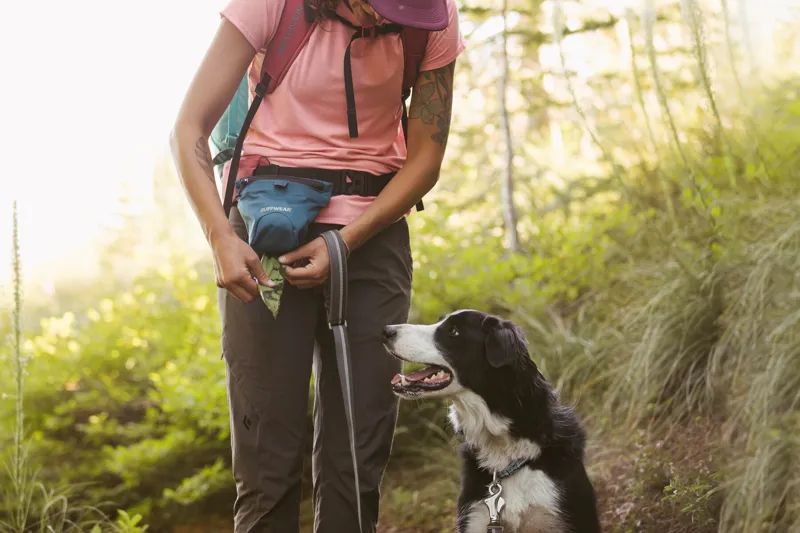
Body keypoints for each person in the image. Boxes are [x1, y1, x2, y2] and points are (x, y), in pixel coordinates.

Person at [169, 0, 465, 530]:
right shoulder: (271, 5)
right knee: (266, 458)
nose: (385, 20)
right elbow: (187, 127)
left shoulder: (434, 15)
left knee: (357, 459)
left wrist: (346, 242)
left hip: (372, 240)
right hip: (264, 236)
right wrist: (220, 236)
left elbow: (425, 157)